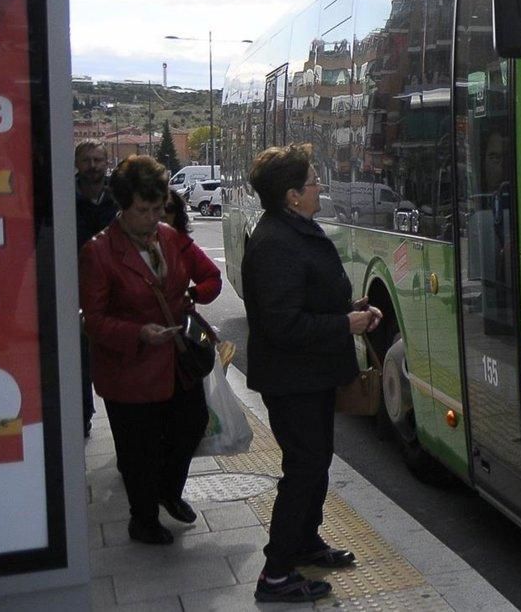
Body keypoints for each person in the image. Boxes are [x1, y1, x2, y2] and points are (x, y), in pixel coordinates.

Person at [243, 144, 381, 603]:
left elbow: (309, 299)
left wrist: (351, 309)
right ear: (291, 196)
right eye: (313, 181)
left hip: (312, 375)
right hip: (292, 380)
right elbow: (283, 324)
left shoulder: (294, 229)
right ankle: (276, 574)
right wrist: (345, 324)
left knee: (315, 463)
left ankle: (305, 542)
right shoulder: (275, 243)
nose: (320, 186)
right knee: (302, 470)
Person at [79, 155, 221, 545]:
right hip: (130, 371)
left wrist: (190, 300)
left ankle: (168, 492)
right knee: (138, 452)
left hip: (175, 360)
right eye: (144, 210)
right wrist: (140, 332)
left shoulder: (169, 237)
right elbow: (94, 320)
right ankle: (142, 520)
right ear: (123, 207)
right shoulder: (99, 252)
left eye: (158, 208)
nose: (153, 218)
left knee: (190, 424)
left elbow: (206, 276)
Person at [75, 140, 117, 438]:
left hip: (114, 288)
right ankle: (82, 414)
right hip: (74, 288)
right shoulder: (63, 196)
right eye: (87, 160)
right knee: (79, 356)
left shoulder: (118, 197)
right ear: (77, 164)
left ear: (106, 163)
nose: (93, 166)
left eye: (98, 160)